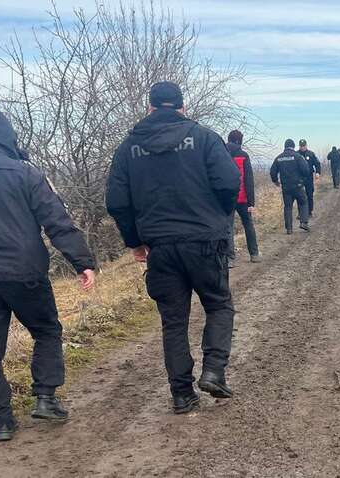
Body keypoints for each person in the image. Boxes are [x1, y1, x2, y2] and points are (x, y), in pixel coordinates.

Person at [0, 108, 95, 441]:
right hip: (26, 272)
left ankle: (0, 421)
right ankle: (46, 398)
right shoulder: (26, 173)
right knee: (47, 330)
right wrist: (82, 262)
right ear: (7, 136)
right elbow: (57, 221)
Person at [106, 82, 239, 414]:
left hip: (160, 248)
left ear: (150, 108)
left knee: (174, 321)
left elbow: (117, 202)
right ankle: (214, 370)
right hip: (206, 241)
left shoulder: (128, 148)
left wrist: (135, 242)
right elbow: (229, 183)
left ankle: (181, 395)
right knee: (219, 304)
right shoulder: (205, 138)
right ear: (182, 107)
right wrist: (218, 217)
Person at [227, 130, 260, 263]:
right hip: (242, 198)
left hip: (226, 198)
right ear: (239, 141)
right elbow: (248, 180)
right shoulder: (244, 155)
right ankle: (254, 254)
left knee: (228, 227)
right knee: (248, 225)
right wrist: (251, 202)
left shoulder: (221, 154)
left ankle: (229, 258)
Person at [270, 139, 311, 234]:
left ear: (285, 146)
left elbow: (272, 172)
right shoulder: (298, 157)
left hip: (286, 187)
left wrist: (276, 181)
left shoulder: (279, 158)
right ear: (293, 146)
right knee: (303, 202)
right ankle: (304, 222)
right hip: (298, 185)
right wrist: (303, 180)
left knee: (288, 206)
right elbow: (306, 170)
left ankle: (289, 228)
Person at [298, 139, 321, 217]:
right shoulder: (296, 155)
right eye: (301, 146)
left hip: (309, 177)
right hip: (299, 178)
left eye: (304, 146)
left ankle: (310, 211)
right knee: (300, 195)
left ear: (306, 145)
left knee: (309, 194)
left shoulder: (311, 154)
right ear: (299, 146)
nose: (302, 147)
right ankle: (300, 212)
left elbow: (317, 164)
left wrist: (318, 172)